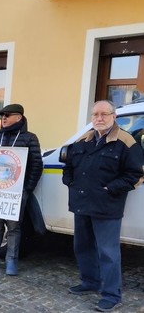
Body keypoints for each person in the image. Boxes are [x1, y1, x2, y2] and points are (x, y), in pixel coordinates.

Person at [62, 100, 144, 312]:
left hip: (107, 206)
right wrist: (69, 180)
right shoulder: (84, 139)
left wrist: (111, 189)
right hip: (81, 203)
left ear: (113, 116)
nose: (99, 118)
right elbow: (68, 163)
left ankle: (111, 295)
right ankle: (90, 282)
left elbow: (137, 174)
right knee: (82, 247)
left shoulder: (125, 141)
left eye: (104, 114)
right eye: (95, 114)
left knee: (108, 252)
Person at [0, 104, 43, 276]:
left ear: (18, 117)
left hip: (16, 192)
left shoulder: (29, 138)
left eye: (7, 115)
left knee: (13, 227)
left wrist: (27, 189)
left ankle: (11, 260)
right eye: (2, 115)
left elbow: (36, 165)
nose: (3, 118)